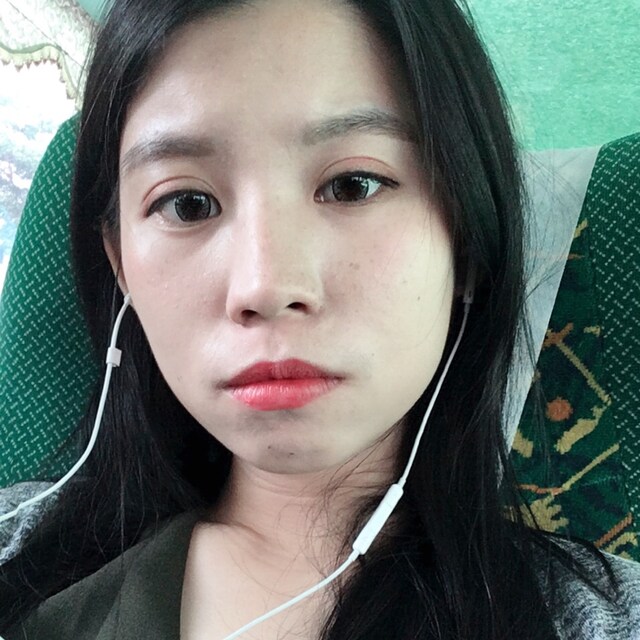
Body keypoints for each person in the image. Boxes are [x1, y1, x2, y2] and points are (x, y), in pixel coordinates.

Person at [1, 0, 639, 638]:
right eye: (188, 203)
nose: (265, 286)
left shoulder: (599, 618)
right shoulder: (17, 550)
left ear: (466, 244)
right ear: (121, 265)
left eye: (352, 185)